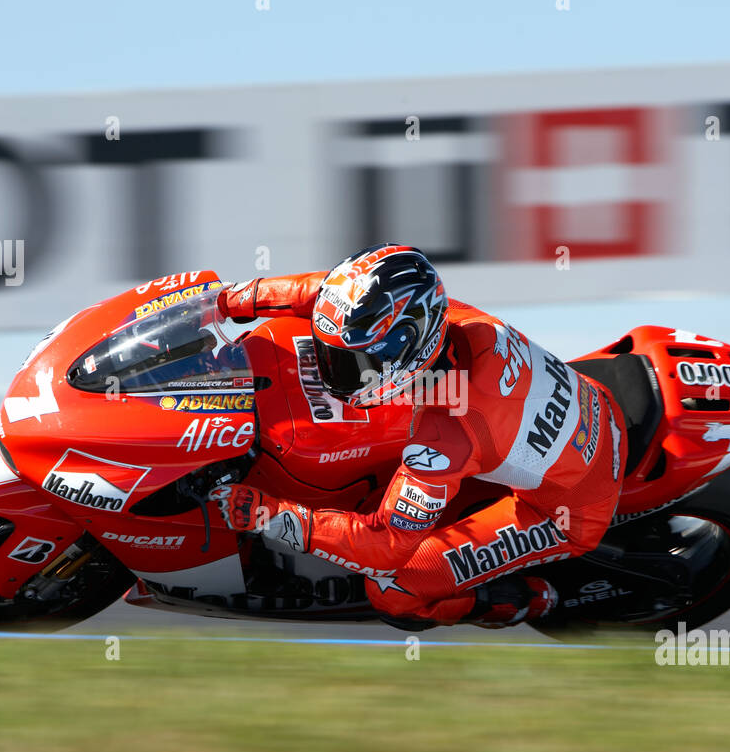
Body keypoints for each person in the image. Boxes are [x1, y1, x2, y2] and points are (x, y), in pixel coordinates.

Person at [212, 243, 627, 629]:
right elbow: (322, 292)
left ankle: (524, 599)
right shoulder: (456, 321)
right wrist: (233, 298)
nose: (329, 372)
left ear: (406, 352)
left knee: (393, 589)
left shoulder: (446, 432)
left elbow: (384, 546)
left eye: (350, 363)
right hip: (587, 406)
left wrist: (271, 514)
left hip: (569, 508)